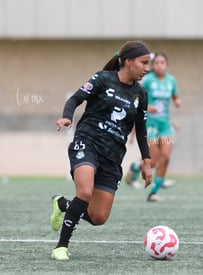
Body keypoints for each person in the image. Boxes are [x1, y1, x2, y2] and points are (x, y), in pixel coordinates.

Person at [51, 41, 153, 260]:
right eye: (143, 63)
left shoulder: (141, 94)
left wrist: (146, 160)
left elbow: (142, 128)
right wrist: (67, 117)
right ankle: (61, 246)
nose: (147, 68)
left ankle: (62, 204)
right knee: (85, 192)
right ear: (128, 61)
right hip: (87, 142)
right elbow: (75, 99)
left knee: (98, 217)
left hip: (113, 156)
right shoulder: (102, 79)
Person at [125, 53, 181, 202]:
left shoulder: (171, 80)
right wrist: (147, 107)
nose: (159, 65)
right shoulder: (148, 80)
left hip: (165, 127)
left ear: (166, 65)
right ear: (152, 65)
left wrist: (177, 101)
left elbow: (175, 96)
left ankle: (153, 193)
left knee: (166, 158)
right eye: (156, 63)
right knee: (154, 161)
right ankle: (136, 167)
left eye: (162, 62)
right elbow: (136, 97)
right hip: (150, 126)